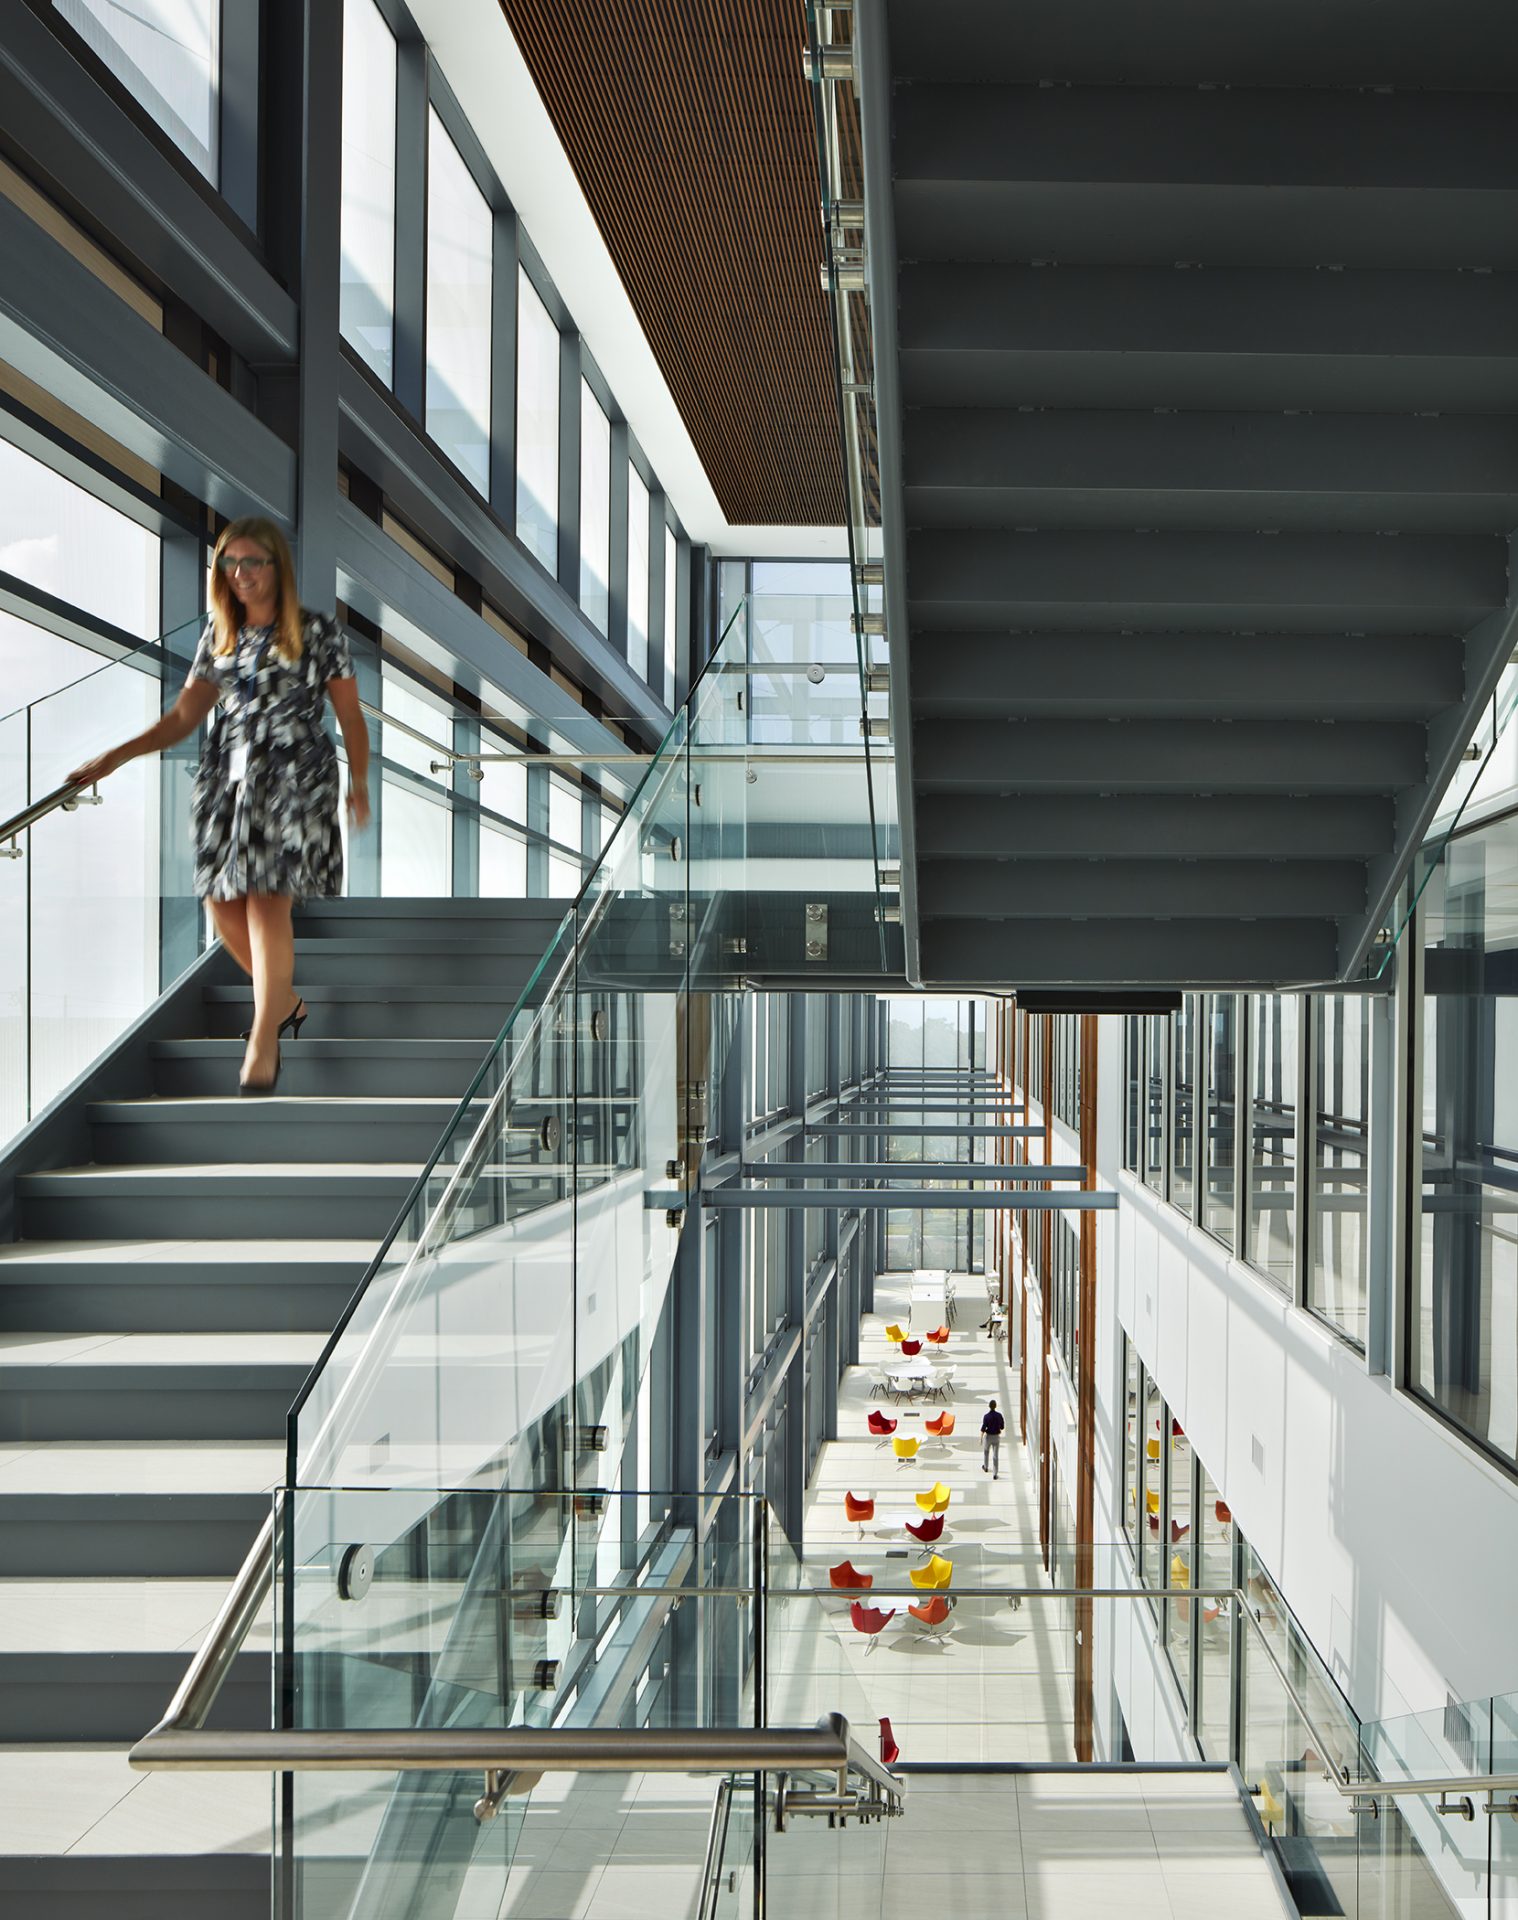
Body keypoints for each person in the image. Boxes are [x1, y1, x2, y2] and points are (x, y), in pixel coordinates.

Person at [68, 518, 370, 1092]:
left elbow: (351, 717)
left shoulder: (319, 633)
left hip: (294, 779)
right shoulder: (219, 636)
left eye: (254, 561)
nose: (241, 573)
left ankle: (264, 1035)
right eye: (231, 563)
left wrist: (360, 783)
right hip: (226, 783)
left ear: (278, 566)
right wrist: (117, 755)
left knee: (265, 902)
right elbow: (183, 717)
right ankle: (285, 1004)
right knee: (217, 901)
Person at [980, 1397, 1005, 1478]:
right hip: (996, 1437)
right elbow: (1002, 1427)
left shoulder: (986, 1416)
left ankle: (986, 1467)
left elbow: (983, 1428)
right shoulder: (999, 1415)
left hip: (988, 1437)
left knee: (986, 1452)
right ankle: (995, 1474)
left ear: (989, 1406)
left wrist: (980, 1438)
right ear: (995, 1406)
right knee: (995, 1456)